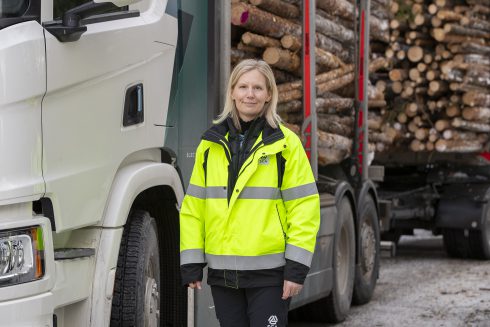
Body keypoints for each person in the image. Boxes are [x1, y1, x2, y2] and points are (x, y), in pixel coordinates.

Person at [180, 59, 320, 327]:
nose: (250, 94)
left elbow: (304, 208)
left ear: (269, 95)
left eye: (258, 87)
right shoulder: (210, 145)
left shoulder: (285, 144)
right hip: (224, 274)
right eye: (243, 86)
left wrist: (296, 270)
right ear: (232, 92)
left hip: (270, 274)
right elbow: (194, 208)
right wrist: (192, 263)